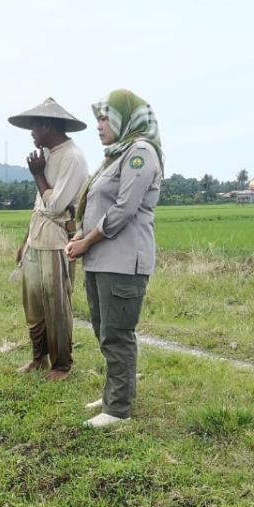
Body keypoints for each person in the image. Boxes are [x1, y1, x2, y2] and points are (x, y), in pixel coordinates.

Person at [65, 89, 163, 428]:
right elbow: (99, 207)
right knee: (103, 330)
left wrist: (86, 242)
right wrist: (81, 237)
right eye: (98, 120)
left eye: (105, 118)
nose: (99, 126)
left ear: (125, 119)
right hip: (100, 259)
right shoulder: (115, 156)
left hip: (122, 263)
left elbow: (124, 209)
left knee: (118, 334)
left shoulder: (140, 153)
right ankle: (114, 392)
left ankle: (119, 409)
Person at [8, 98, 90, 381]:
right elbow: (38, 206)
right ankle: (38, 357)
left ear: (47, 125)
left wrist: (38, 174)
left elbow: (55, 206)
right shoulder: (46, 154)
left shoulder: (72, 157)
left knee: (56, 303)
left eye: (34, 126)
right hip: (37, 237)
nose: (31, 132)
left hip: (57, 240)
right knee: (33, 302)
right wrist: (25, 240)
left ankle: (62, 365)